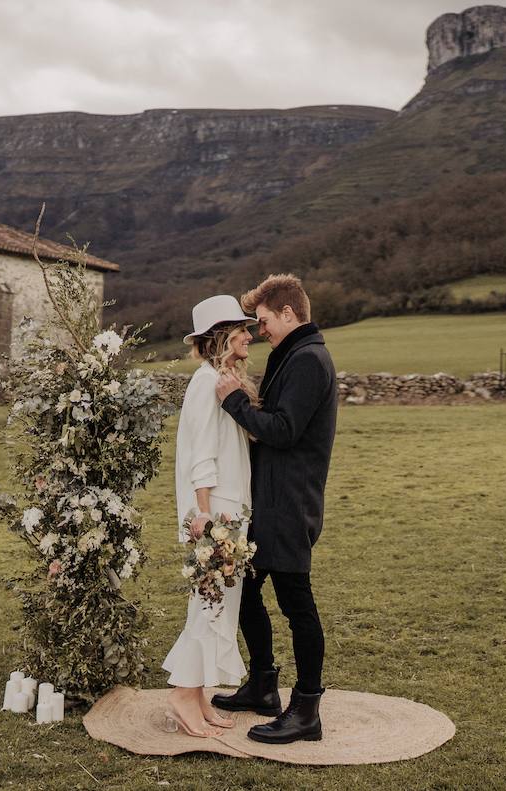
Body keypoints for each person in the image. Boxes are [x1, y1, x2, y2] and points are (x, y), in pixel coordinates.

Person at [212, 274, 337, 744]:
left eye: (263, 320)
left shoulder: (308, 360)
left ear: (288, 312)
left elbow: (283, 430)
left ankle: (306, 710)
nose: (260, 330)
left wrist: (234, 402)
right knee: (244, 588)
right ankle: (263, 684)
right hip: (271, 500)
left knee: (296, 603)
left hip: (289, 503)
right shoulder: (293, 356)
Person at [160, 294, 258, 738]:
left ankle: (197, 695)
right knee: (209, 604)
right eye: (241, 328)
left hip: (230, 508)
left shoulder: (220, 381)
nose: (249, 335)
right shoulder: (204, 383)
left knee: (217, 604)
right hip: (215, 511)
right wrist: (203, 515)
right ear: (221, 336)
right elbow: (200, 453)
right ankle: (183, 694)